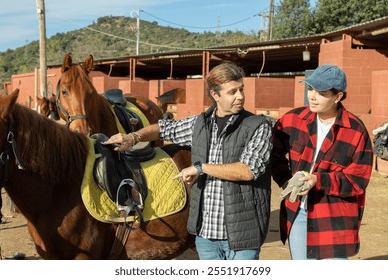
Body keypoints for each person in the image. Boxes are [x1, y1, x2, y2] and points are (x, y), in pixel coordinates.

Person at [104, 62, 273, 260]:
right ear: (215, 95)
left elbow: (247, 171)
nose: (241, 96)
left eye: (241, 89)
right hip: (206, 236)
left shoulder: (258, 126)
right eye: (233, 92)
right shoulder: (199, 124)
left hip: (242, 234)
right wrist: (132, 138)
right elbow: (164, 128)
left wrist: (201, 168)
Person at [271, 64, 373, 260]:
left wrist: (318, 181)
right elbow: (273, 156)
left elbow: (358, 180)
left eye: (321, 92)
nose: (312, 96)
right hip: (297, 213)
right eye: (310, 89)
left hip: (334, 218)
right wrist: (286, 181)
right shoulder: (292, 120)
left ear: (338, 96)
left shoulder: (355, 130)